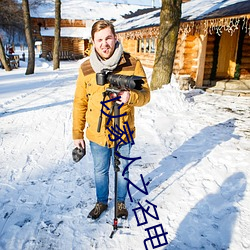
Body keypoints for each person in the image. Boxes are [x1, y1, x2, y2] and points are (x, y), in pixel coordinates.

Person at [72, 20, 150, 220]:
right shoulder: (86, 68)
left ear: (115, 38)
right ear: (93, 42)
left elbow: (146, 95)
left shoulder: (132, 63)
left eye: (108, 38)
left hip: (124, 130)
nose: (104, 43)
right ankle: (101, 202)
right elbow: (80, 102)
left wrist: (130, 97)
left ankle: (121, 202)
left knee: (122, 169)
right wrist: (77, 134)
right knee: (100, 171)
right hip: (97, 133)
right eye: (99, 40)